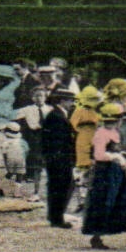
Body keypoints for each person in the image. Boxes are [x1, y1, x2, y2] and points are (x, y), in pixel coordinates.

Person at [81, 103, 126, 250]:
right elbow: (99, 155)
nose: (117, 122)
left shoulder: (114, 132)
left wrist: (122, 155)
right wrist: (115, 156)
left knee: (125, 201)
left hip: (116, 173)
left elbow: (115, 150)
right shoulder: (101, 133)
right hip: (104, 173)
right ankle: (96, 237)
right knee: (106, 203)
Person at [42, 89, 78, 228]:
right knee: (60, 187)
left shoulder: (57, 115)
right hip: (60, 159)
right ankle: (57, 218)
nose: (72, 103)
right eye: (70, 100)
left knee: (58, 187)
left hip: (58, 158)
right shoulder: (57, 116)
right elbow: (58, 141)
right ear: (62, 101)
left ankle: (55, 216)